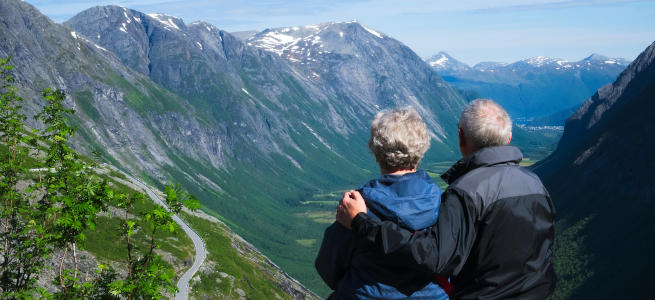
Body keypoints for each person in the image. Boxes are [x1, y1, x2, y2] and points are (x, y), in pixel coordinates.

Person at [337, 99, 556, 299]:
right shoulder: (536, 184)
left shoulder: (467, 191)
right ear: (508, 138)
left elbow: (433, 256)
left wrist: (362, 222)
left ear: (461, 137)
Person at [315, 107, 450, 299]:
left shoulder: (356, 205)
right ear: (421, 148)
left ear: (376, 150)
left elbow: (328, 268)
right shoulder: (444, 202)